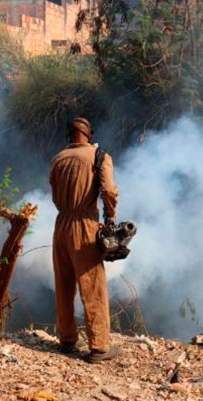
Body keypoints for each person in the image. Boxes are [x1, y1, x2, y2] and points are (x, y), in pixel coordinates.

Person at [50, 117, 120, 363]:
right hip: (85, 225)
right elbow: (109, 191)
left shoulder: (57, 159)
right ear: (89, 134)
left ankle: (67, 340)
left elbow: (54, 193)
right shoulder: (99, 156)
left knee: (64, 283)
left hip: (61, 226)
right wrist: (110, 217)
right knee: (92, 285)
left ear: (70, 135)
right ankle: (99, 347)